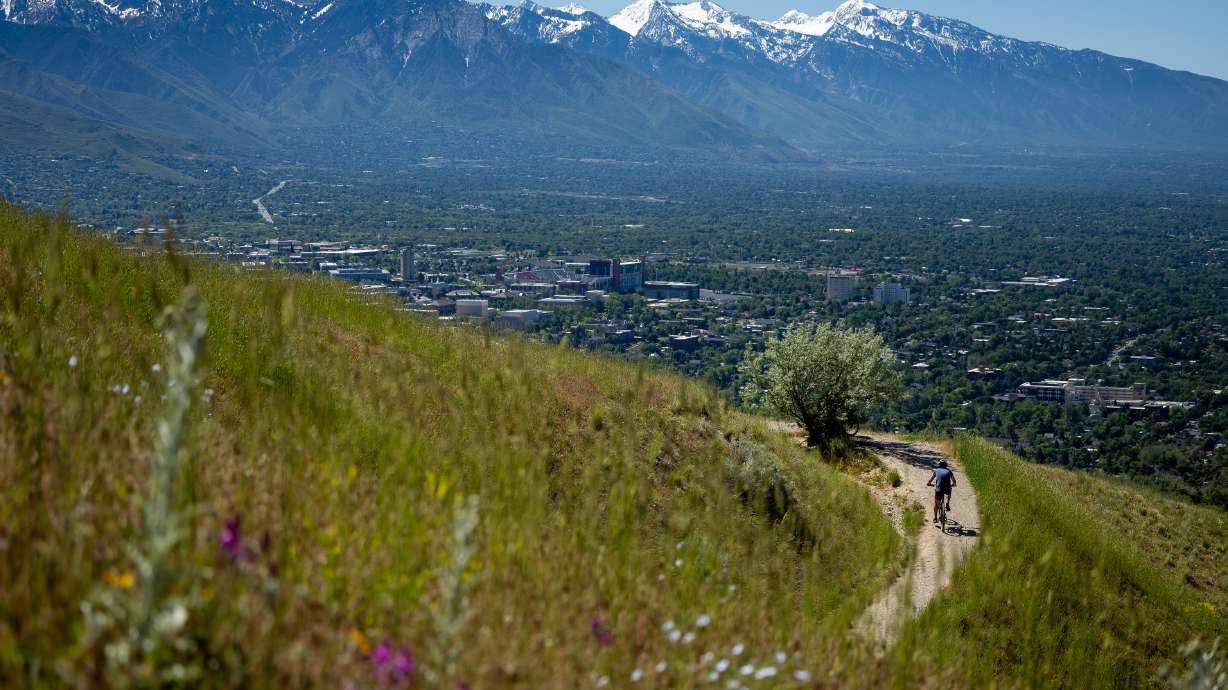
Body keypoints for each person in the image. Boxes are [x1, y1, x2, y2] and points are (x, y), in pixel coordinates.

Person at [926, 460, 956, 524]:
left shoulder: (936, 470)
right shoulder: (949, 471)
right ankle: (947, 503)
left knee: (936, 504)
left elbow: (930, 480)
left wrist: (929, 483)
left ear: (939, 465)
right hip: (947, 489)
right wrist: (953, 485)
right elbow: (954, 481)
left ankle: (935, 518)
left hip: (939, 489)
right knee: (949, 490)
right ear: (946, 465)